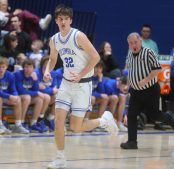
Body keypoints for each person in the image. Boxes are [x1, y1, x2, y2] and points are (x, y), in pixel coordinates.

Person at [43, 4, 118, 168]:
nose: (63, 22)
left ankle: (103, 120)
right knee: (58, 122)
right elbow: (53, 58)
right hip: (65, 84)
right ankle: (60, 157)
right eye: (60, 19)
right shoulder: (54, 39)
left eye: (66, 19)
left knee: (76, 127)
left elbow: (95, 57)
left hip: (83, 85)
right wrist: (48, 70)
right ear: (56, 20)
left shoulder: (78, 36)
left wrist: (81, 73)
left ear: (70, 20)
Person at [120, 32, 174, 149]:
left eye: (135, 42)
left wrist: (145, 80)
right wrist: (128, 85)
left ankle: (169, 118)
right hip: (136, 91)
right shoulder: (130, 55)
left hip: (150, 90)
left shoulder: (148, 53)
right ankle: (132, 142)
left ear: (140, 42)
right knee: (131, 115)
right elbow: (130, 73)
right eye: (131, 43)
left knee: (154, 116)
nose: (133, 45)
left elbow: (157, 69)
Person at [0, 57, 29, 134]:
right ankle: (0, 124)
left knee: (18, 100)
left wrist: (15, 95)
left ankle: (18, 125)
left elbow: (13, 89)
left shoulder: (10, 75)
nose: (1, 69)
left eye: (3, 67)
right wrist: (10, 96)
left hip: (6, 97)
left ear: (6, 67)